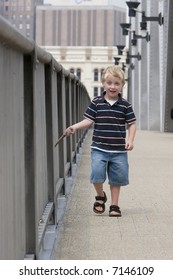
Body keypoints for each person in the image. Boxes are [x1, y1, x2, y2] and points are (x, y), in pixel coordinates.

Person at [65, 65, 136, 217]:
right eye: (109, 83)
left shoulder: (125, 105)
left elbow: (132, 124)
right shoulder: (96, 102)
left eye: (117, 83)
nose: (112, 86)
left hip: (119, 150)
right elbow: (88, 120)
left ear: (122, 85)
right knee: (96, 175)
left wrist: (130, 140)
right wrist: (74, 127)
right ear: (103, 83)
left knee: (116, 179)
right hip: (99, 148)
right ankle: (100, 196)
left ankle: (114, 205)